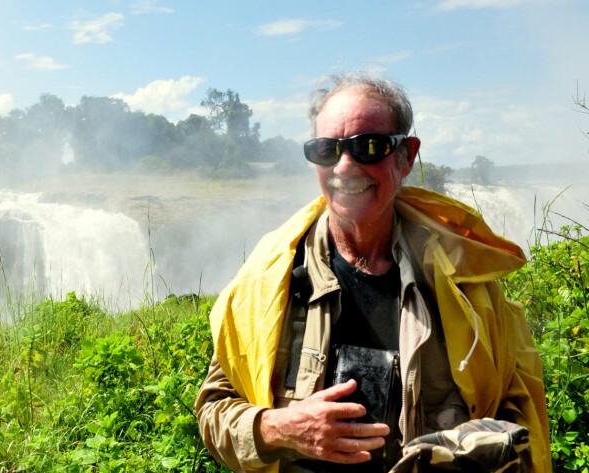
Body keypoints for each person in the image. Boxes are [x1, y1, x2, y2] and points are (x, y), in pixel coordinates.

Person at [195, 71, 550, 473]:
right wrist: (280, 428)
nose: (345, 167)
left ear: (406, 156)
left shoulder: (464, 284)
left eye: (369, 146)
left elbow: (519, 411)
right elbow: (213, 411)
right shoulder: (270, 279)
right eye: (327, 149)